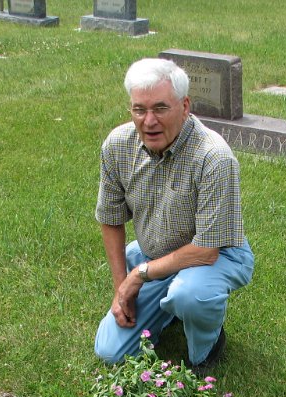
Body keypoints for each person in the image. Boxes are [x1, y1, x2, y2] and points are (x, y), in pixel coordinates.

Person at [94, 58, 254, 370]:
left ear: (184, 106)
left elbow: (206, 251)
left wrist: (138, 275)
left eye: (160, 108)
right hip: (155, 254)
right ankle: (167, 309)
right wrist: (120, 290)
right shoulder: (117, 145)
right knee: (110, 352)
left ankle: (206, 347)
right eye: (139, 109)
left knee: (190, 294)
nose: (148, 120)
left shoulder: (214, 157)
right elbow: (110, 218)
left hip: (217, 253)